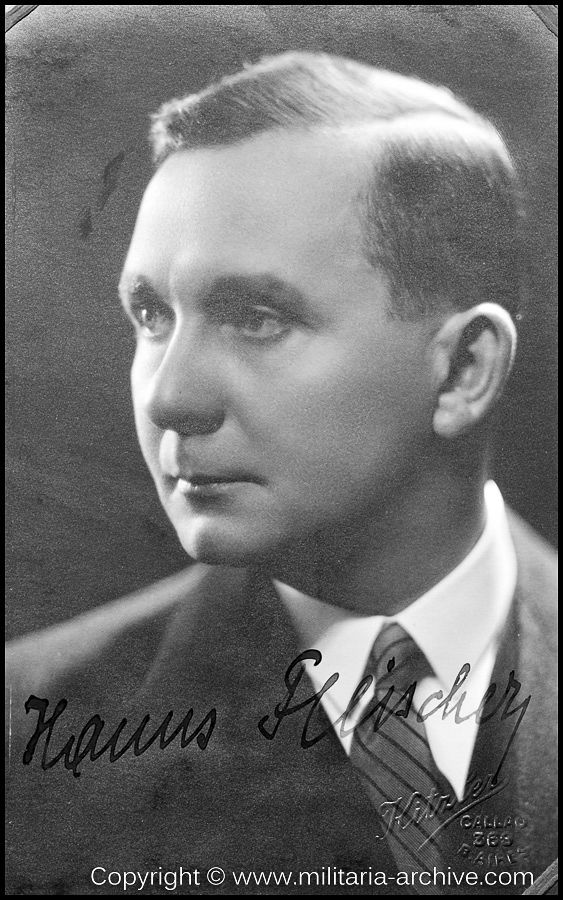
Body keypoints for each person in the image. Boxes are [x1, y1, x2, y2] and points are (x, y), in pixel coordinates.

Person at [6, 52, 557, 896]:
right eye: (151, 314)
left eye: (256, 317)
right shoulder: (28, 734)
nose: (169, 397)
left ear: (461, 372)